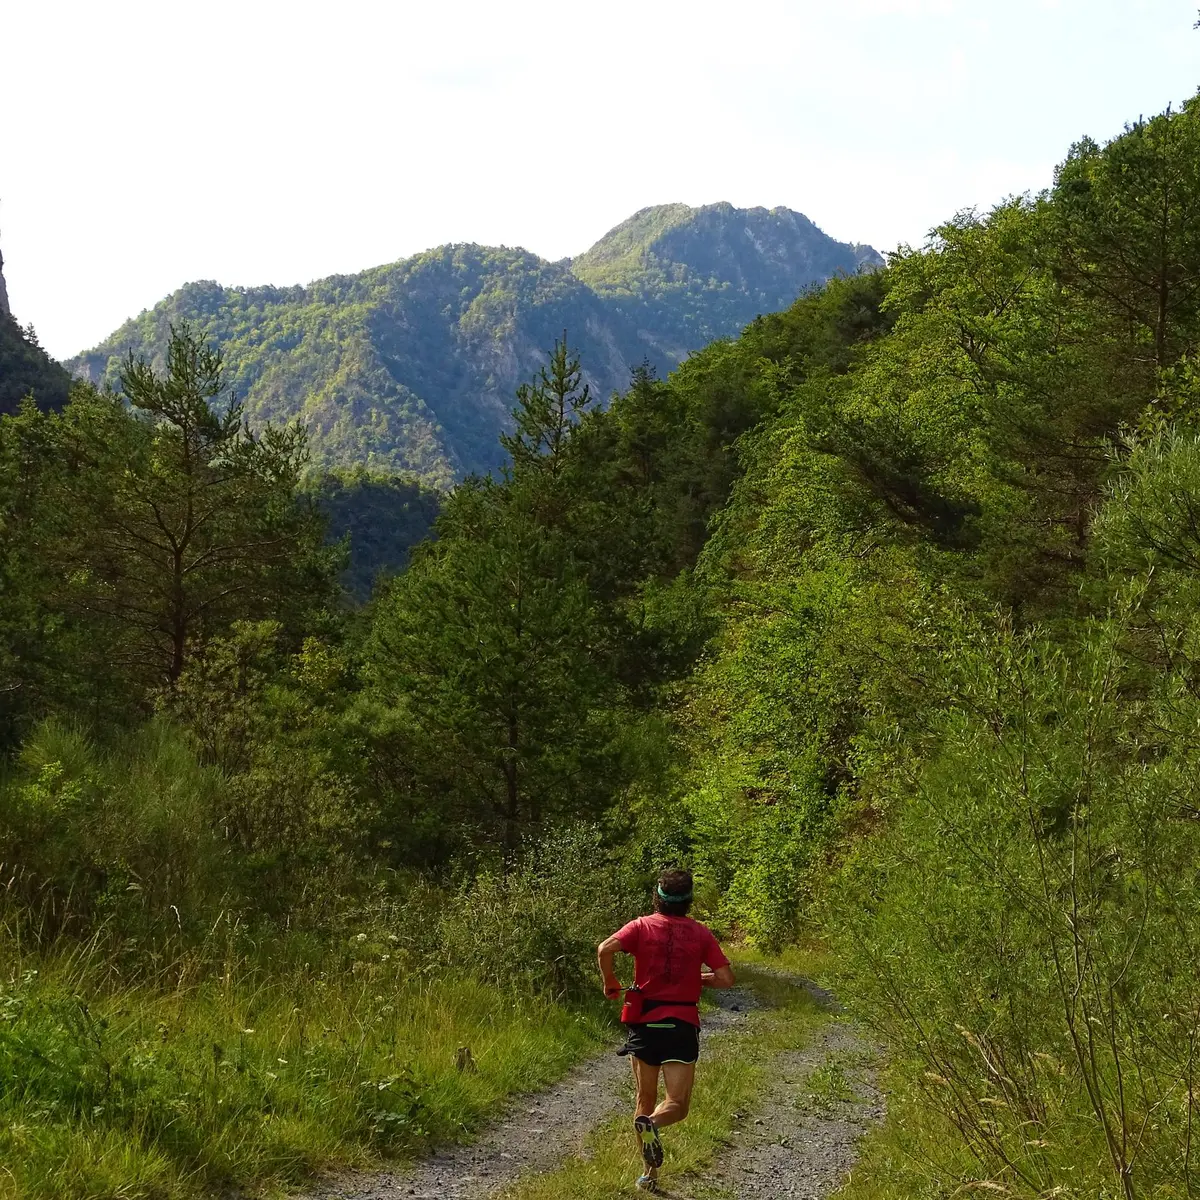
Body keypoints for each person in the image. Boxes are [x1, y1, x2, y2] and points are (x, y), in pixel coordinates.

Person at [597, 868, 735, 1192]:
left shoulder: (641, 926)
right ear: (689, 901)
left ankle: (649, 1175)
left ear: (657, 897)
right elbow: (727, 979)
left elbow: (605, 949)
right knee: (677, 1103)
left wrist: (610, 983)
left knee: (644, 1098)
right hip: (680, 1025)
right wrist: (700, 979)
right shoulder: (701, 933)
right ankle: (654, 1125)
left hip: (645, 1024)